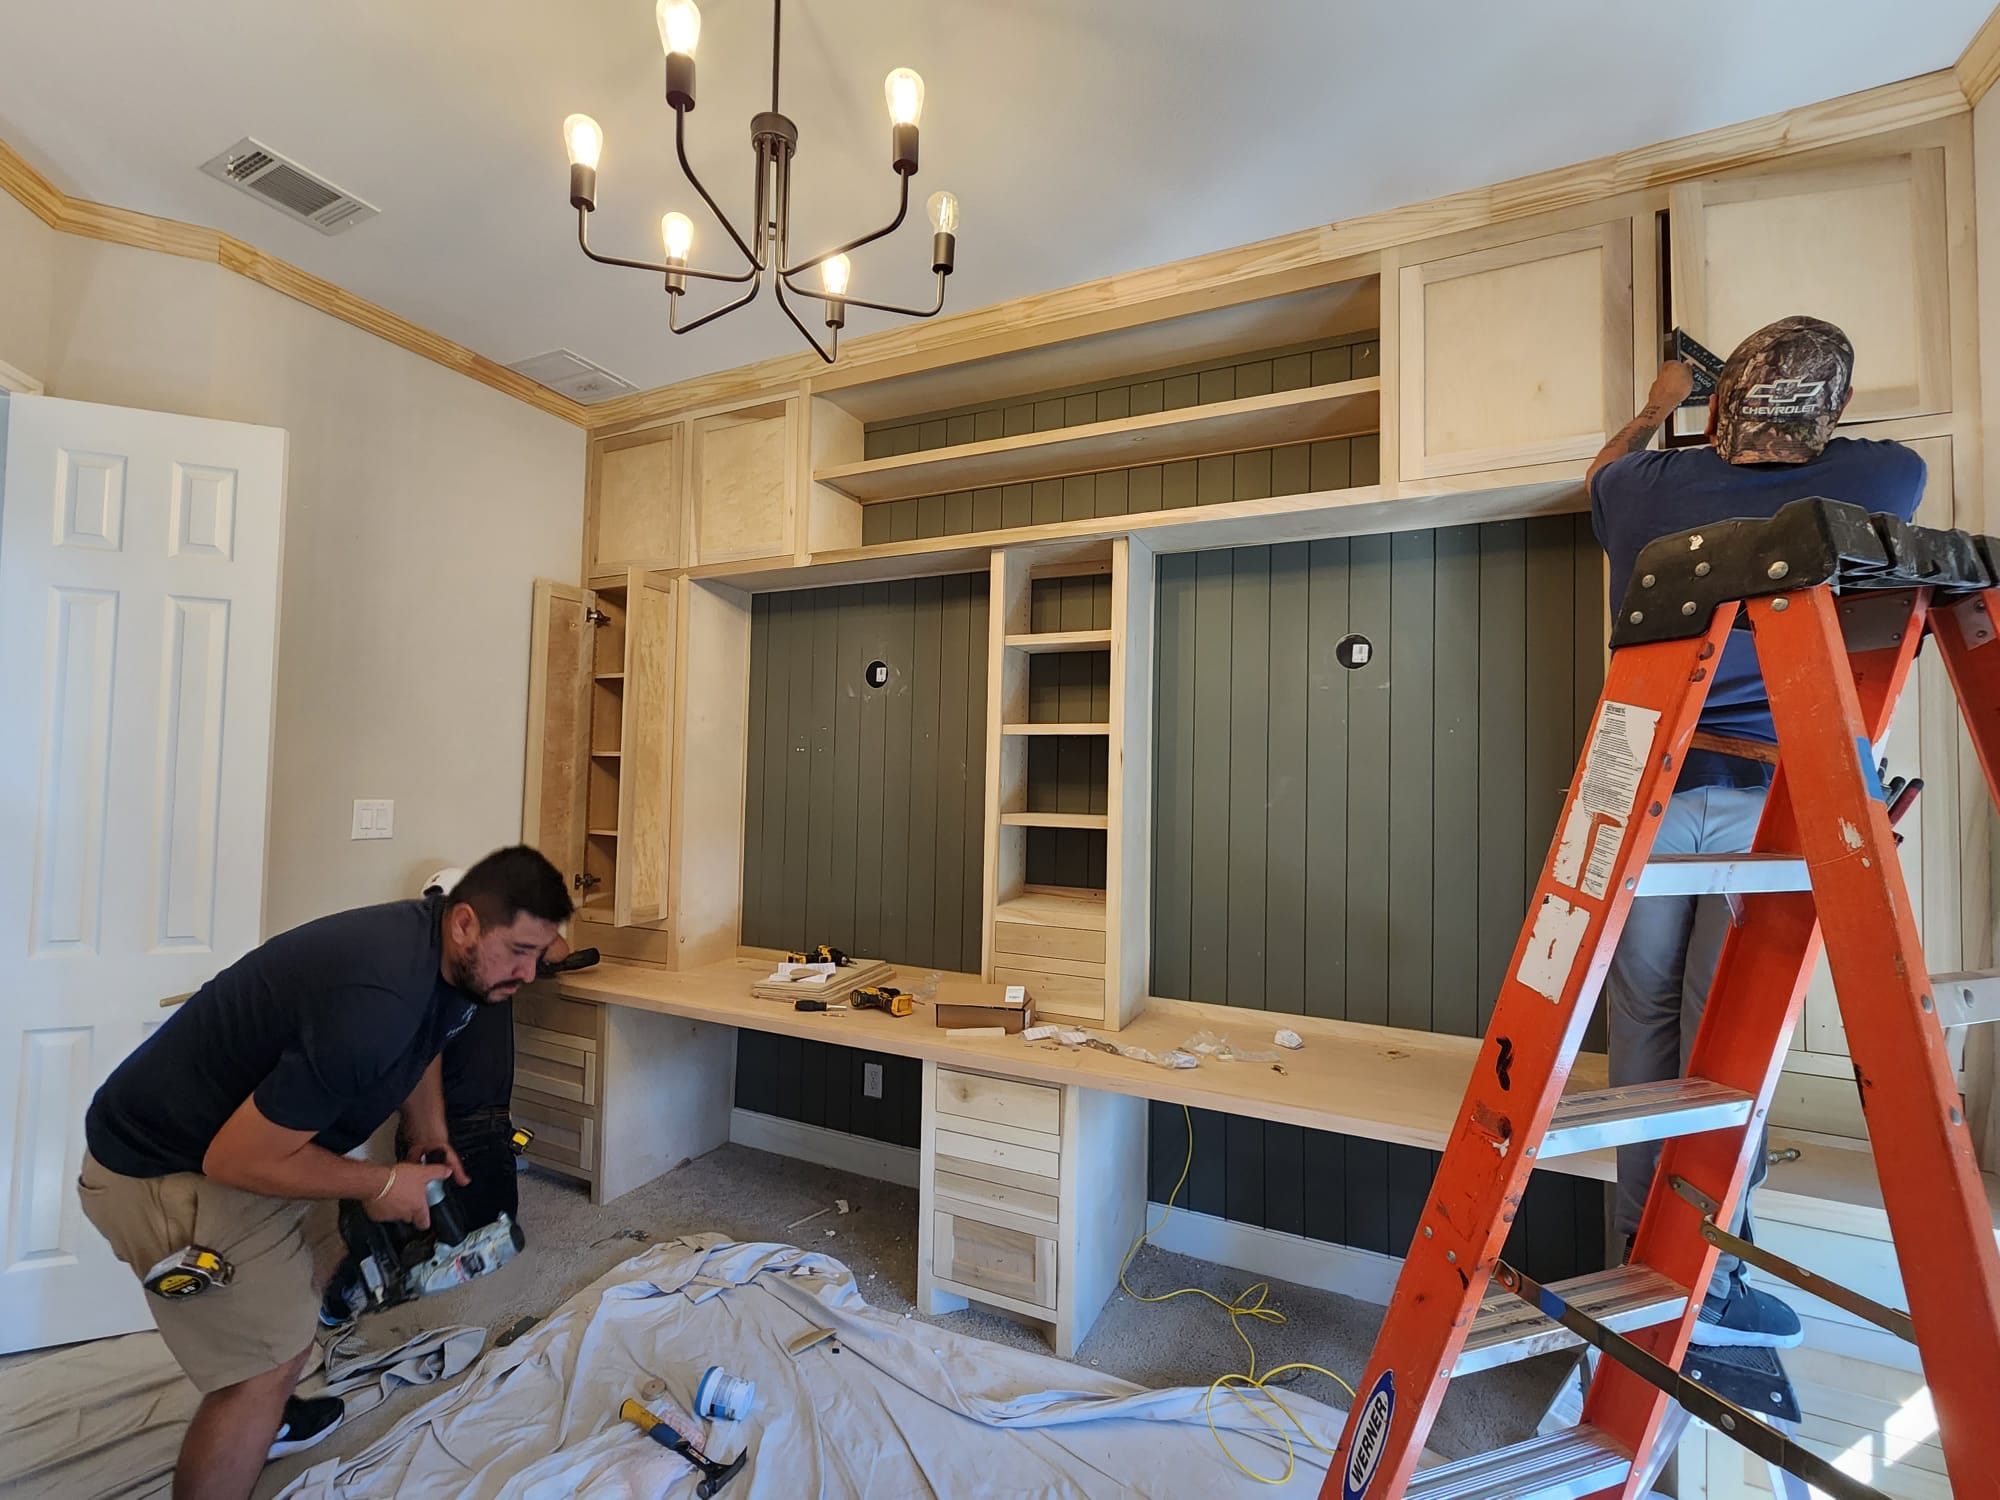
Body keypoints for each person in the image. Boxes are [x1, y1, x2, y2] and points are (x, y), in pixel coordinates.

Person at [1588, 316, 1926, 1349]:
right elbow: (1848, 442)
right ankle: (1709, 1277)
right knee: (1724, 1040)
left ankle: (1640, 1252)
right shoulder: (1882, 477)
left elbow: (1599, 472)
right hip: (1764, 799)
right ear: (1827, 412)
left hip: (1640, 788)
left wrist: (1660, 408)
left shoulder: (1641, 487)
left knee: (1645, 1027)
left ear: (1717, 407)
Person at [77, 845, 572, 1500]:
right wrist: (381, 1183)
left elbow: (427, 1039)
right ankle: (258, 1403)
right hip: (163, 1169)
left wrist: (428, 1134)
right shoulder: (375, 1001)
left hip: (255, 1143)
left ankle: (270, 1416)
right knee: (263, 1368)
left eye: (540, 954)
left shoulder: (449, 962)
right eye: (520, 952)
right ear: (465, 925)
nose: (529, 973)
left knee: (324, 1255)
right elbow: (236, 1159)